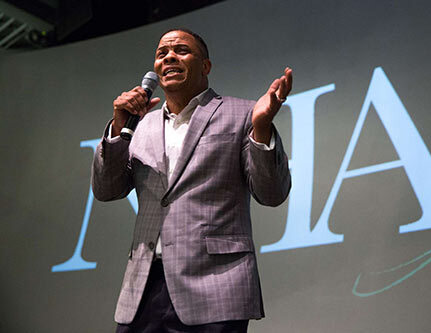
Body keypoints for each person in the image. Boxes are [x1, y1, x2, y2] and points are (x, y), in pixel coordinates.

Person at [92, 28, 292, 332]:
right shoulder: (140, 125)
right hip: (143, 288)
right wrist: (118, 127)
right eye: (162, 53)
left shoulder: (243, 113)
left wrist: (262, 127)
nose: (169, 56)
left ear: (205, 66)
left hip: (215, 285)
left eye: (181, 50)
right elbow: (107, 189)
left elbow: (273, 193)